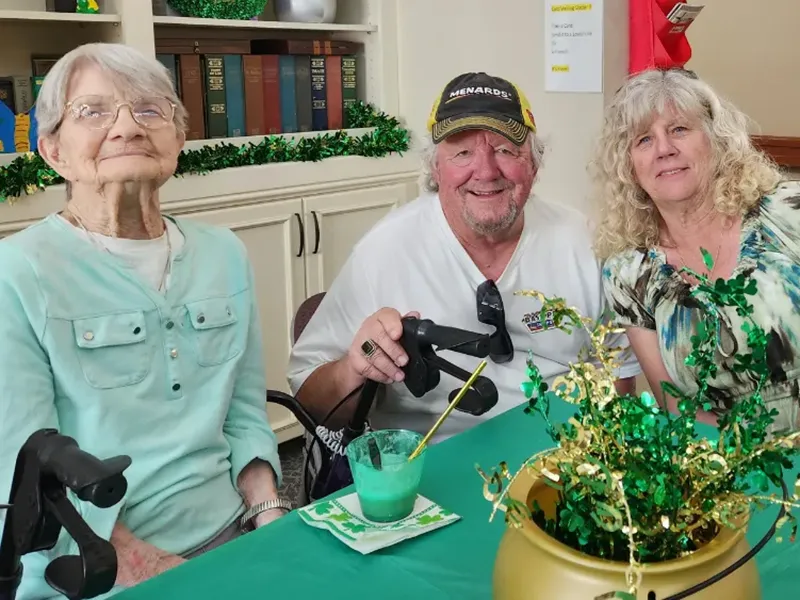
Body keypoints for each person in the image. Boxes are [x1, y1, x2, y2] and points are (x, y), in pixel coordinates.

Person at [0, 43, 291, 599]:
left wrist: (269, 513)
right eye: (93, 111)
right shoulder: (16, 272)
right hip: (93, 566)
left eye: (150, 109)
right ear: (53, 150)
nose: (127, 127)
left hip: (230, 527)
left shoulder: (224, 253)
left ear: (178, 139)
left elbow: (244, 410)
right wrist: (148, 566)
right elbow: (25, 471)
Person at [287, 72, 640, 446]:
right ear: (435, 169)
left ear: (534, 165)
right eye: (462, 152)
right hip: (433, 461)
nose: (486, 171)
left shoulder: (584, 241)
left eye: (505, 150)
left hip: (563, 451)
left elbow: (619, 377)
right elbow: (311, 400)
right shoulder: (382, 252)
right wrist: (355, 369)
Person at [592, 67, 800, 435]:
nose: (664, 150)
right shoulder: (629, 273)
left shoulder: (788, 213)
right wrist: (749, 458)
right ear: (629, 167)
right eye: (644, 139)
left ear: (716, 139)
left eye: (679, 129)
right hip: (724, 458)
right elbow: (675, 408)